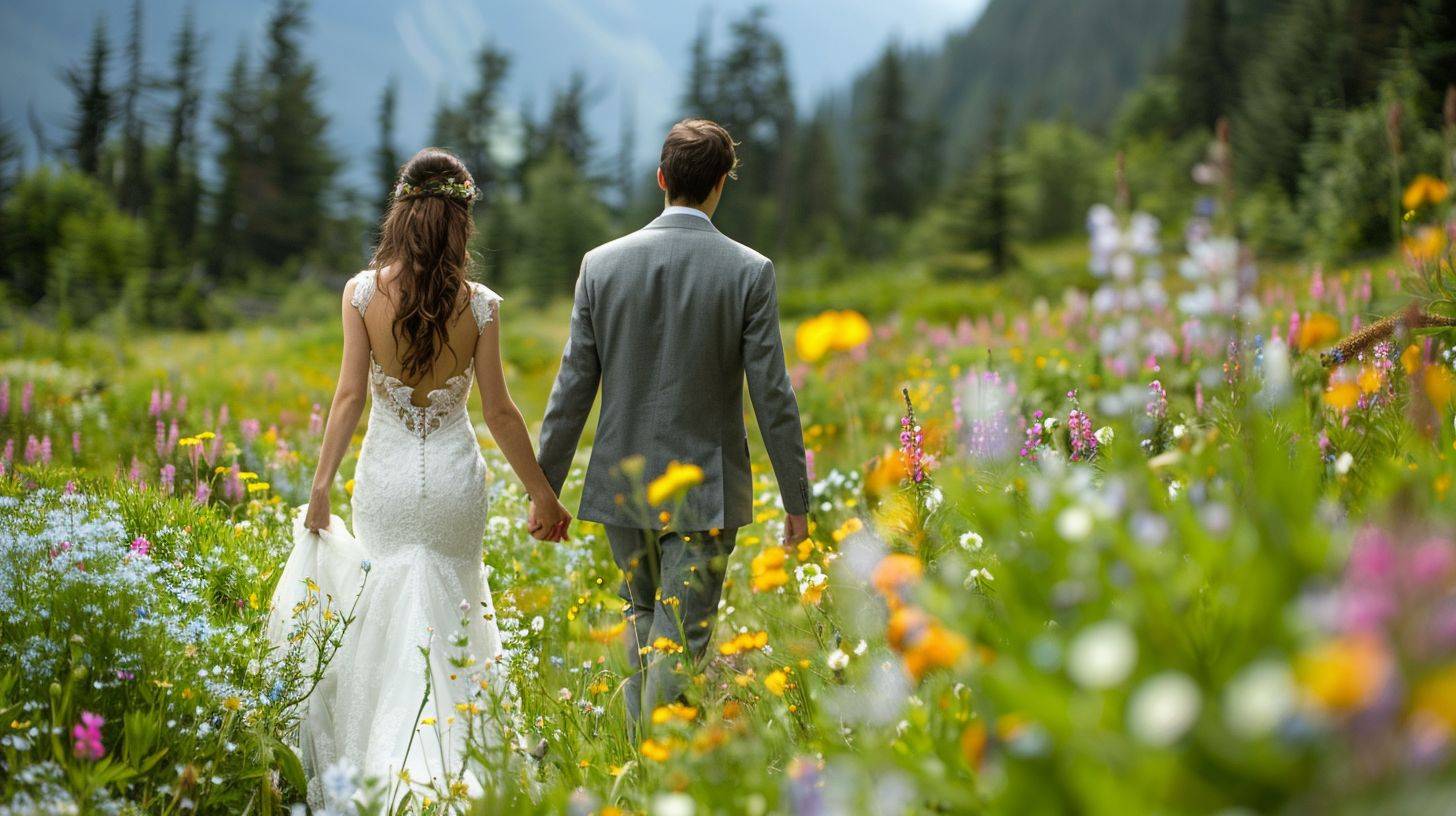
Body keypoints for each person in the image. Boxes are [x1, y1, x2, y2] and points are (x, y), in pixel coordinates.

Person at [266, 148, 570, 805]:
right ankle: (464, 765)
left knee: (385, 611)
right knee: (456, 608)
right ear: (461, 221)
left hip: (386, 479)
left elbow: (348, 398)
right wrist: (541, 492)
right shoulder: (481, 306)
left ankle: (386, 768)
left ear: (401, 214)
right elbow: (499, 410)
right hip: (457, 483)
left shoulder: (362, 293)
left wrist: (320, 486)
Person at [535, 118, 810, 731]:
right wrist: (797, 500)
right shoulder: (749, 271)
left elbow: (572, 386)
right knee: (680, 639)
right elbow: (773, 394)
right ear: (720, 185)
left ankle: (635, 767)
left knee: (642, 617)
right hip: (704, 492)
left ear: (661, 179)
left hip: (620, 485)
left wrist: (543, 488)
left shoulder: (600, 265)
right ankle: (654, 767)